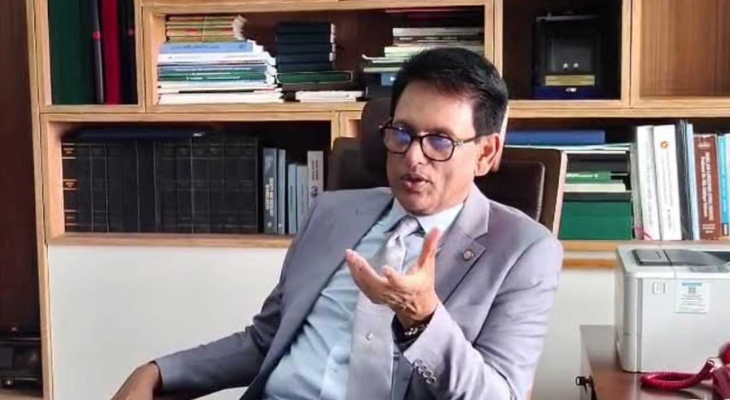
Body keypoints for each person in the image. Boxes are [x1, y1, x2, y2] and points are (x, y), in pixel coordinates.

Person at [111, 47, 563, 400]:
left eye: (440, 141)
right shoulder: (332, 212)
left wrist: (423, 318)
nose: (412, 157)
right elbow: (265, 340)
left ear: (485, 153)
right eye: (402, 133)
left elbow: (499, 394)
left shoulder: (524, 251)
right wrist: (158, 371)